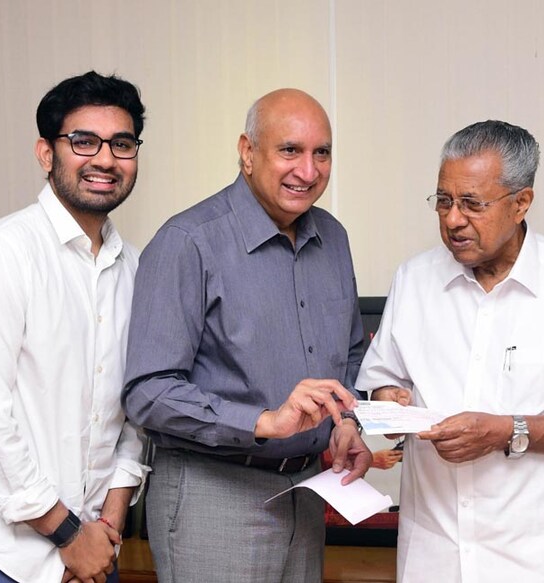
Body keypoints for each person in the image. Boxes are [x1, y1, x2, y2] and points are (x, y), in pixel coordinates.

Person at [356, 120, 544, 582]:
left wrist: (507, 431)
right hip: (434, 555)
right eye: (444, 201)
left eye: (472, 204)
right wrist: (387, 399)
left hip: (537, 561)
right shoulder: (413, 280)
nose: (452, 219)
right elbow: (380, 379)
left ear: (521, 202)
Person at [123, 88, 371, 583]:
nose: (308, 170)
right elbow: (147, 392)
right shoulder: (187, 242)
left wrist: (347, 424)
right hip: (214, 494)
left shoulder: (334, 238)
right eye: (289, 150)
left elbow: (349, 354)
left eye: (321, 152)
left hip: (307, 491)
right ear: (247, 151)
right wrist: (266, 421)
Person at [0, 71, 148, 583]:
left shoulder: (137, 270)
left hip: (96, 553)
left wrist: (106, 530)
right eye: (83, 141)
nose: (104, 159)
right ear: (45, 152)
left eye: (122, 144)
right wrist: (69, 534)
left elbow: (134, 415)